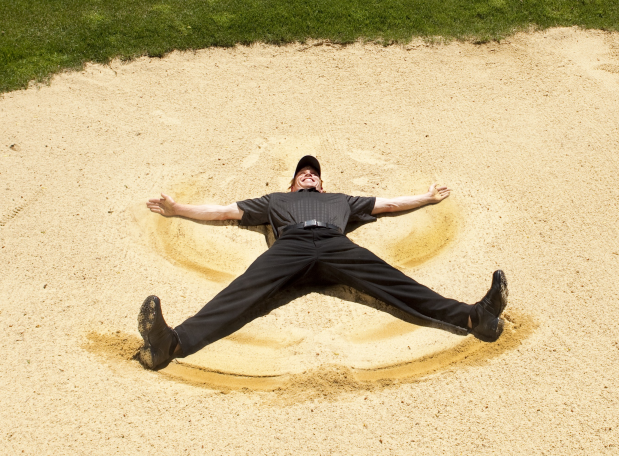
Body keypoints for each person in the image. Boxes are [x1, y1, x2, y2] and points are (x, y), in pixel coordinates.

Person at [136, 154, 508, 370]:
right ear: (293, 183)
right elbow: (223, 212)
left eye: (313, 171)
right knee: (243, 290)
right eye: (302, 171)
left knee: (394, 281)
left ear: (322, 184)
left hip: (334, 245)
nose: (308, 173)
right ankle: (171, 344)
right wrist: (177, 209)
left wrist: (425, 198)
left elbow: (390, 204)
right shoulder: (275, 201)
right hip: (292, 246)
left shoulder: (341, 201)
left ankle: (475, 318)